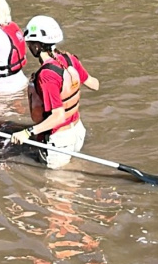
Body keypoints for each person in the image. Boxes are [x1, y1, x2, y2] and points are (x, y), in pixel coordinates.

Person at [10, 15, 100, 168]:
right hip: (77, 131)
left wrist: (27, 132)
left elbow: (58, 116)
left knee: (53, 187)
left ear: (37, 46)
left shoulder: (46, 75)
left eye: (30, 43)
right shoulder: (69, 59)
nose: (29, 46)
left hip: (59, 141)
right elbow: (94, 84)